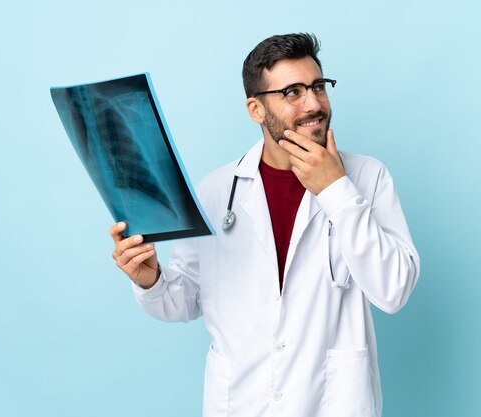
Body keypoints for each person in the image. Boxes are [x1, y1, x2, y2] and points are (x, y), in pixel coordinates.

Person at [110, 33, 420, 417]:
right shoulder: (215, 191)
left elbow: (394, 289)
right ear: (256, 109)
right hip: (242, 404)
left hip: (330, 403)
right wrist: (150, 279)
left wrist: (337, 190)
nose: (314, 103)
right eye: (293, 92)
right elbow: (185, 300)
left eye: (318, 87)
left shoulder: (368, 178)